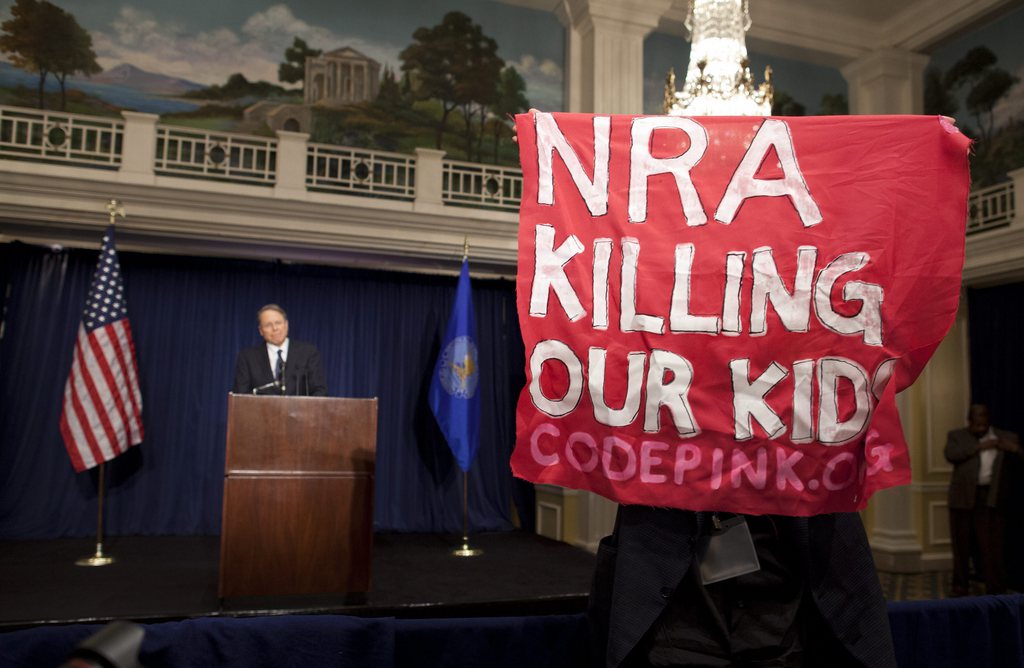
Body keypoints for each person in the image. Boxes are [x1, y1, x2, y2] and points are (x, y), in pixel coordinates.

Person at [944, 403, 1021, 596]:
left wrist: (1012, 448)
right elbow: (951, 454)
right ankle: (960, 585)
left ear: (988, 420)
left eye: (982, 423)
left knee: (991, 546)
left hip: (990, 499)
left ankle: (995, 586)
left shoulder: (1005, 437)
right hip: (962, 498)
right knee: (961, 545)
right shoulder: (957, 436)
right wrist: (979, 446)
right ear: (969, 421)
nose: (979, 426)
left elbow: (1020, 456)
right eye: (975, 423)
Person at [232, 304, 328, 396]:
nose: (275, 328)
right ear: (261, 330)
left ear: (286, 325)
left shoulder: (308, 353)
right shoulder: (248, 357)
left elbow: (320, 391)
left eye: (278, 323)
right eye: (268, 325)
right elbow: (241, 395)